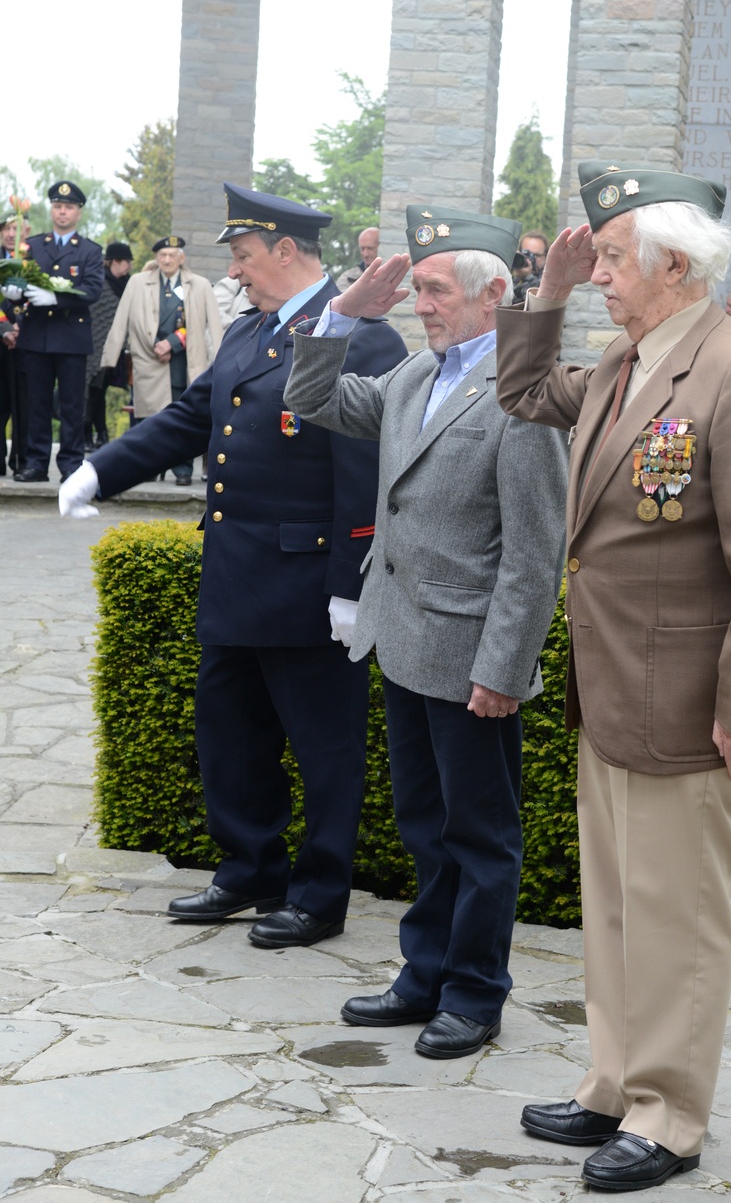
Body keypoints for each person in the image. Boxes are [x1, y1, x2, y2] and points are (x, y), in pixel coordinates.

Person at [493, 162, 731, 1193]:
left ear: (676, 263)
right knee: (619, 905)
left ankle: (670, 1115)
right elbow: (521, 389)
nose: (601, 275)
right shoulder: (623, 363)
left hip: (688, 706)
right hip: (610, 692)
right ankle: (613, 1081)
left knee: (676, 913)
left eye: (615, 258)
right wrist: (546, 285)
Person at [59, 185, 407, 948]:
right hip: (237, 575)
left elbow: (365, 469)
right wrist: (99, 470)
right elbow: (192, 418)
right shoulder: (251, 331)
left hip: (311, 584)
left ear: (287, 252)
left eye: (245, 257)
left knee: (325, 749)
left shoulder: (365, 335)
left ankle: (319, 894)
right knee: (230, 735)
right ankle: (250, 868)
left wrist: (351, 588)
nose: (238, 273)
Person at [284, 205, 568, 1060]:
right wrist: (343, 314)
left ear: (492, 300)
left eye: (438, 290)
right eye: (422, 292)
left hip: (473, 658)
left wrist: (505, 669)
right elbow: (311, 396)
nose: (424, 304)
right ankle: (424, 974)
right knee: (423, 825)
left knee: (480, 836)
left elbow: (534, 553)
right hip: (402, 640)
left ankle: (476, 994)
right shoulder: (416, 376)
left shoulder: (522, 395)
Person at [101, 236, 224, 486]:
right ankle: (150, 467)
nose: (167, 260)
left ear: (182, 258)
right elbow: (121, 319)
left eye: (172, 255)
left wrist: (178, 345)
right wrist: (109, 359)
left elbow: (213, 325)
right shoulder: (137, 282)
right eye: (162, 255)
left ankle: (183, 469)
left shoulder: (199, 285)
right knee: (150, 420)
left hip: (184, 361)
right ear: (156, 258)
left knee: (185, 415)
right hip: (148, 358)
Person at [6, 182, 105, 483]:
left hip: (71, 337)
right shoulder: (32, 246)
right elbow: (21, 281)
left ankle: (71, 464)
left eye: (69, 207)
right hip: (36, 335)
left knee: (72, 405)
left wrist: (57, 298)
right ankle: (36, 462)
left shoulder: (89, 250)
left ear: (78, 212)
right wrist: (14, 291)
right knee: (37, 402)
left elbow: (92, 290)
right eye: (58, 206)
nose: (63, 212)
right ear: (52, 209)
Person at [84, 242, 133, 452]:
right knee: (90, 391)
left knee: (100, 391)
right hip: (92, 347)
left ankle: (101, 433)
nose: (129, 266)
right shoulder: (100, 282)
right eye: (126, 262)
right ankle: (88, 433)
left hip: (114, 348)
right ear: (115, 261)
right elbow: (95, 314)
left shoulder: (128, 284)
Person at [0, 210, 29, 475]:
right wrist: (6, 327)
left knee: (26, 404)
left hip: (27, 343)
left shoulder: (34, 259)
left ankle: (22, 462)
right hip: (0, 343)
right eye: (6, 229)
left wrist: (22, 325)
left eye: (16, 229)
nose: (11, 234)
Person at [335, 226, 380, 292]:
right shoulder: (347, 278)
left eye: (370, 248)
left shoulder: (394, 274)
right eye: (362, 249)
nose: (365, 254)